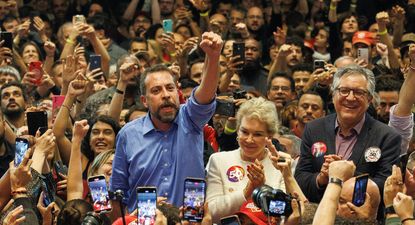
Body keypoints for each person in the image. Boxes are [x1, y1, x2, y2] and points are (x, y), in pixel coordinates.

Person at [110, 31, 223, 212]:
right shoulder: (128, 134)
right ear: (144, 100)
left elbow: (206, 93)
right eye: (156, 90)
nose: (165, 95)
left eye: (170, 88)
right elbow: (117, 194)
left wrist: (213, 56)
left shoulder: (191, 119)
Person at [295, 66, 401, 204]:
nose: (350, 98)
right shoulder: (314, 129)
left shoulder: (387, 137)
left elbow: (386, 188)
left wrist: (347, 176)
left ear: (369, 99)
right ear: (333, 96)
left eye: (359, 92)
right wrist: (321, 178)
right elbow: (300, 179)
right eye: (344, 91)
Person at [206, 97, 305, 223]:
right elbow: (211, 212)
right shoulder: (219, 160)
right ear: (237, 131)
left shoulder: (282, 163)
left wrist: (263, 189)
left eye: (257, 134)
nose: (249, 140)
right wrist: (246, 192)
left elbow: (291, 214)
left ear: (269, 136)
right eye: (245, 132)